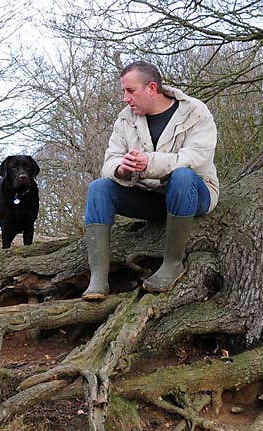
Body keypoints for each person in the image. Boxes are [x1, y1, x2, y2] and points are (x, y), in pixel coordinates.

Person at [82, 60, 219, 300]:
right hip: (151, 197)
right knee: (99, 188)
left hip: (193, 192)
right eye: (124, 91)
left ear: (152, 88)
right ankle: (98, 279)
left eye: (130, 91)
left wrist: (149, 163)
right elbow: (110, 161)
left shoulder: (195, 111)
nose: (125, 98)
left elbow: (197, 158)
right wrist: (121, 170)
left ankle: (173, 264)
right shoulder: (125, 120)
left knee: (183, 176)